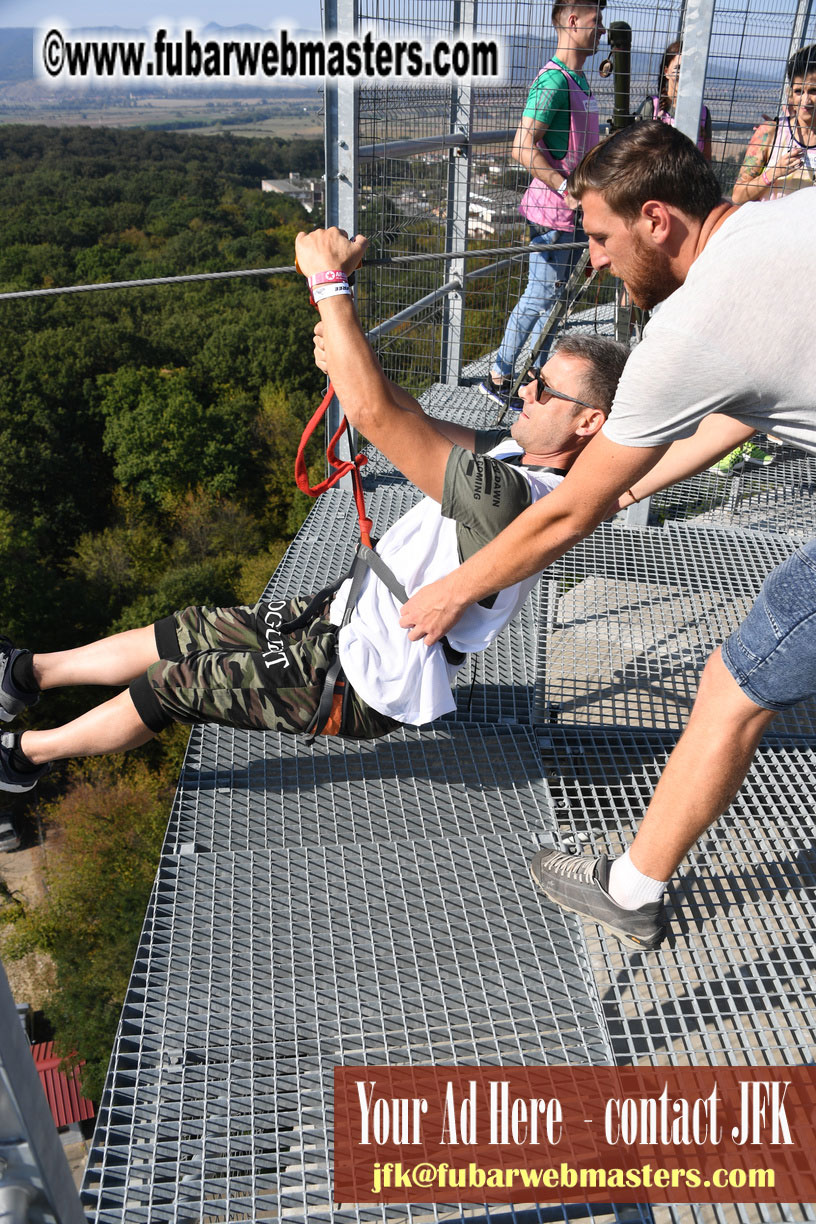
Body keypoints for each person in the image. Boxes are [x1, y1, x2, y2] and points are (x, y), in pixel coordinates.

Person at [0, 228, 628, 794]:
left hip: (361, 675)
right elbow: (407, 416)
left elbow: (376, 418)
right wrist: (349, 355)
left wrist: (330, 284)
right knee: (189, 631)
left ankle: (21, 757)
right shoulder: (516, 453)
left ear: (587, 423)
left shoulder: (514, 499)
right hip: (347, 616)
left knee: (176, 683)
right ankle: (26, 674)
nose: (526, 387)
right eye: (534, 375)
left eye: (546, 388)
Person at [398, 121, 816, 951]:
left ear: (656, 219)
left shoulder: (693, 327)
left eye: (598, 236)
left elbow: (565, 512)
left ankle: (629, 890)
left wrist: (453, 590)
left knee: (736, 685)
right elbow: (748, 403)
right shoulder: (787, 219)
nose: (591, 261)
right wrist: (634, 483)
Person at [478, 0, 605, 411]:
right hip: (553, 213)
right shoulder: (553, 81)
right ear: (573, 21)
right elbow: (521, 145)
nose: (602, 30)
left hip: (572, 214)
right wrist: (565, 186)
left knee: (556, 300)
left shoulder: (578, 80)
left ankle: (534, 377)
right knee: (540, 295)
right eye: (596, 21)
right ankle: (499, 375)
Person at [732, 43, 816, 204]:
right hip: (769, 219)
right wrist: (775, 172)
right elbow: (738, 195)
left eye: (813, 91)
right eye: (799, 91)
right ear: (790, 94)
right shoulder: (771, 133)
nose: (806, 100)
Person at [634, 39, 712, 161]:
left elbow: (706, 159)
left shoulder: (703, 114)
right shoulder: (651, 107)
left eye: (689, 69)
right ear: (666, 71)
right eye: (678, 68)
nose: (684, 75)